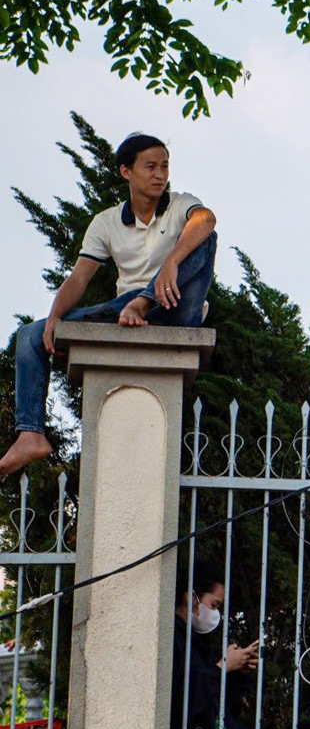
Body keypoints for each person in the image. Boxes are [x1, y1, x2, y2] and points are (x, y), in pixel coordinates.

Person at [4, 133, 218, 478]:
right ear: (125, 171)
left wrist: (171, 262)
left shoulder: (181, 205)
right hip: (125, 309)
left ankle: (143, 302)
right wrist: (55, 317)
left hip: (177, 306)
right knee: (30, 334)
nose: (160, 175)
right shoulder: (106, 222)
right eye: (150, 166)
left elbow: (206, 220)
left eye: (164, 167)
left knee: (205, 237)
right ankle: (30, 434)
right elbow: (78, 279)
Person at [169, 576, 258, 729]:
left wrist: (237, 671)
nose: (215, 613)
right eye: (214, 604)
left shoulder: (199, 643)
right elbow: (183, 697)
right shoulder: (172, 638)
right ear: (191, 597)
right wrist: (223, 666)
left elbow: (218, 702)